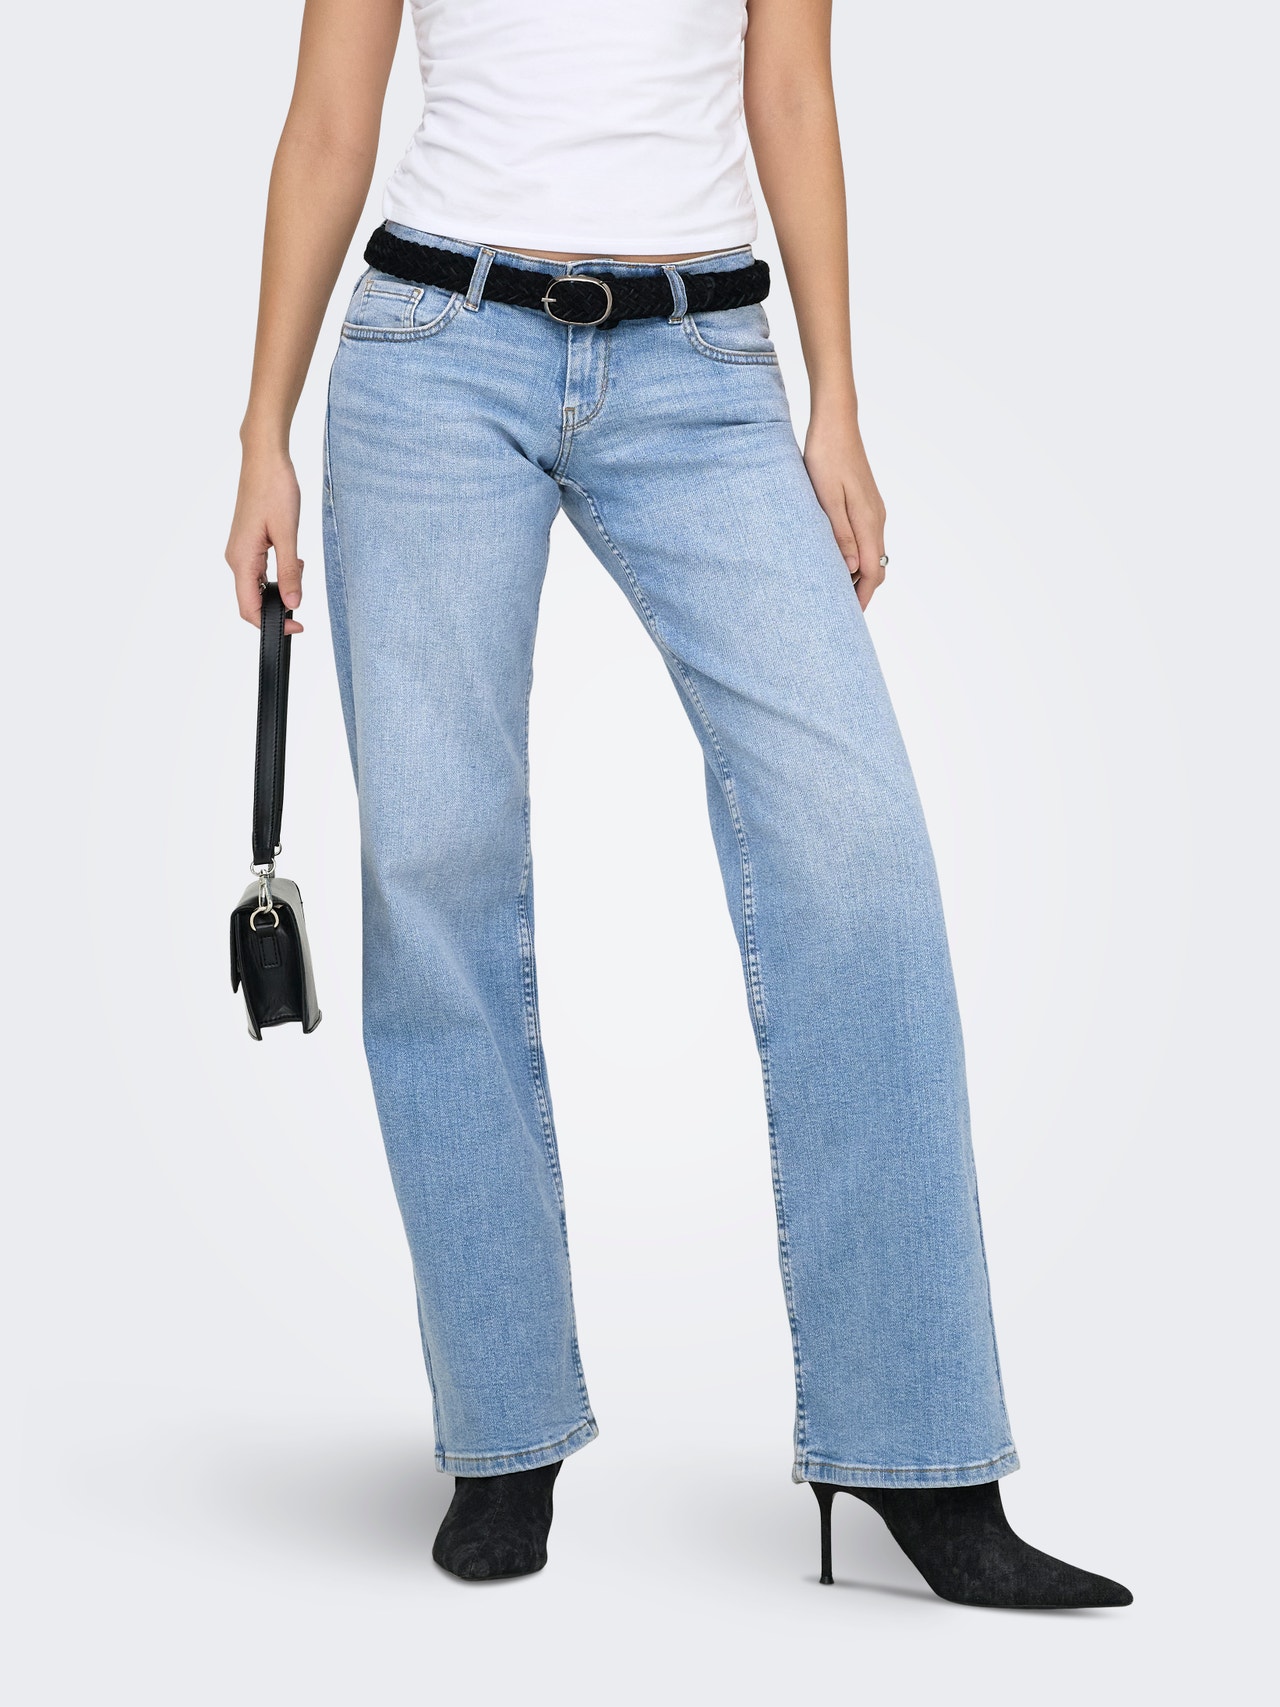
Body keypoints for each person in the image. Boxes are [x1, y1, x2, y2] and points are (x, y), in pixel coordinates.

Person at [226, 0, 1131, 1609]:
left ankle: (915, 1449)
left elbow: (792, 91)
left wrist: (836, 396)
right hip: (434, 354)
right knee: (437, 865)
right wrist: (262, 434)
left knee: (855, 852)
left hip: (704, 363)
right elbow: (328, 127)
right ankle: (503, 1430)